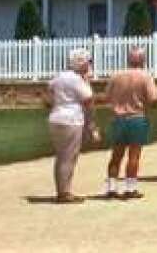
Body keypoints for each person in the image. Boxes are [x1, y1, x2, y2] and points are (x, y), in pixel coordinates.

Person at [104, 47, 157, 200]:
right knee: (134, 156)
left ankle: (111, 187)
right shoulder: (145, 77)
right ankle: (130, 188)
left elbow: (107, 96)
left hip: (118, 117)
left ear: (129, 59)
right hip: (137, 117)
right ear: (143, 60)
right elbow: (153, 98)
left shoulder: (116, 76)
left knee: (116, 155)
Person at [44, 48, 96, 204]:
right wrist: (86, 81)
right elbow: (88, 98)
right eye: (88, 61)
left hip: (56, 117)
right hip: (71, 119)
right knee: (69, 156)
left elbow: (48, 95)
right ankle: (64, 192)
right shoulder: (76, 79)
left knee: (61, 156)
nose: (89, 65)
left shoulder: (59, 77)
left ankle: (62, 190)